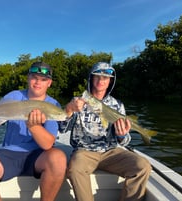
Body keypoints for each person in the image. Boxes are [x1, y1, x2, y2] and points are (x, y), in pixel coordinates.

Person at [0, 62, 67, 201]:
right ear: (28, 78)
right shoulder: (14, 96)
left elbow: (48, 144)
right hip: (8, 154)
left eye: (43, 79)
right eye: (34, 77)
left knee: (58, 158)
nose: (38, 82)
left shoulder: (53, 105)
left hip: (38, 156)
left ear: (49, 83)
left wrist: (33, 126)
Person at [60, 62, 152, 201]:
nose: (101, 80)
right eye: (97, 76)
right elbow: (62, 128)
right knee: (75, 169)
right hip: (84, 151)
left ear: (110, 81)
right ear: (91, 78)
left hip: (111, 152)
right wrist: (69, 110)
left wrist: (121, 135)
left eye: (105, 77)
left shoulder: (117, 105)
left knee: (143, 166)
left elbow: (126, 140)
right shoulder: (77, 101)